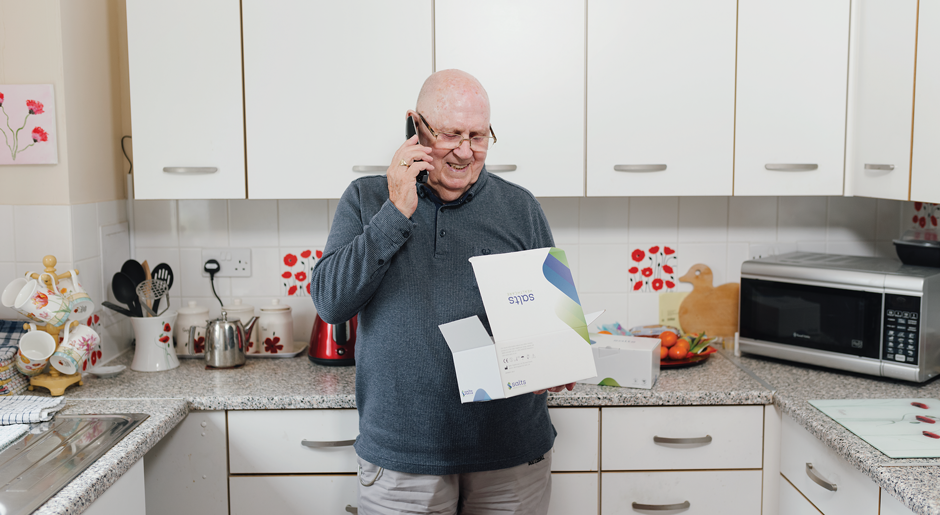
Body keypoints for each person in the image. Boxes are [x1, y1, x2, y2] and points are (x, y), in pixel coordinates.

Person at [310, 69, 574, 515]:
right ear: (416, 127)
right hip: (403, 460)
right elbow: (331, 303)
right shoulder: (365, 199)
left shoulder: (521, 207)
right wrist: (396, 212)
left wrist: (557, 356)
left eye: (478, 135)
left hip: (510, 457)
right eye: (451, 134)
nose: (466, 152)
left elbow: (550, 322)